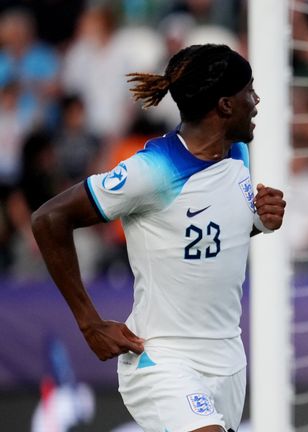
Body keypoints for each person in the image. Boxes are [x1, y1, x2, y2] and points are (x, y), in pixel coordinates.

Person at [31, 44, 286, 432]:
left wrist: (260, 219)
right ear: (225, 106)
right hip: (161, 359)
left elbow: (209, 231)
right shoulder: (149, 171)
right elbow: (49, 220)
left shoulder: (236, 153)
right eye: (249, 91)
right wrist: (89, 322)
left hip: (227, 361)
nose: (257, 100)